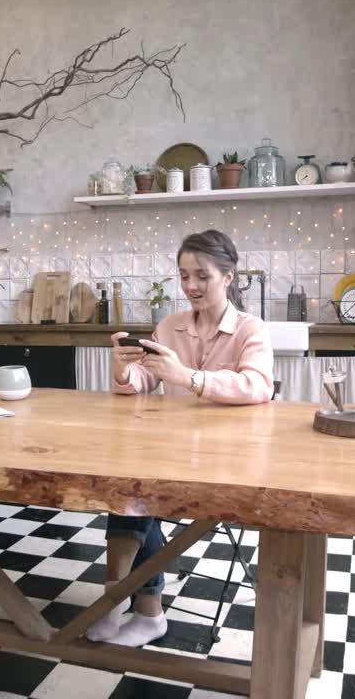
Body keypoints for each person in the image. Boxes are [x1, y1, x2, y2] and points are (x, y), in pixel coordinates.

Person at [89, 229, 275, 647]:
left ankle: (124, 604)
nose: (191, 285)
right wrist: (124, 371)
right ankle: (131, 607)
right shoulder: (169, 326)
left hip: (227, 462)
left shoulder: (251, 329)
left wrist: (188, 377)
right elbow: (144, 380)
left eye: (202, 276)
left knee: (139, 495)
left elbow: (258, 387)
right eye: (185, 275)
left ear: (229, 276)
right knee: (128, 487)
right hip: (169, 454)